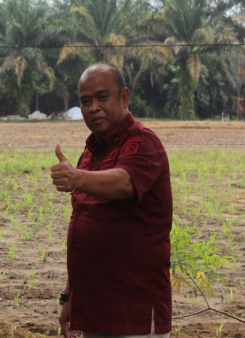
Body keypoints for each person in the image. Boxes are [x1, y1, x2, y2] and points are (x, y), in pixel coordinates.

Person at [50, 63, 172, 338]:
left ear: (124, 98)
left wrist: (77, 177)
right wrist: (69, 296)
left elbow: (125, 182)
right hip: (93, 310)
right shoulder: (90, 152)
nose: (93, 107)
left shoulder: (143, 142)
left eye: (102, 97)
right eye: (85, 101)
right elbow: (81, 224)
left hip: (134, 313)